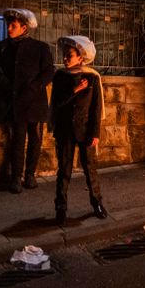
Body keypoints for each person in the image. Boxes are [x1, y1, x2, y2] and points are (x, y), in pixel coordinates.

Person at [0, 8, 55, 194]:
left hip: (35, 102)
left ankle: (30, 175)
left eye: (14, 25)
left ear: (24, 27)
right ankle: (16, 178)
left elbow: (48, 71)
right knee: (17, 140)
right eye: (8, 25)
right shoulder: (2, 47)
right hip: (16, 102)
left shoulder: (40, 48)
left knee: (35, 140)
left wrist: (34, 87)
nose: (9, 28)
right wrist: (2, 83)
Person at [49, 36, 108, 225]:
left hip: (85, 130)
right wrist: (74, 90)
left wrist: (96, 134)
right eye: (65, 55)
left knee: (90, 169)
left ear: (80, 58)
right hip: (65, 130)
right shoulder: (60, 76)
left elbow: (96, 108)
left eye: (70, 55)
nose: (65, 59)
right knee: (64, 170)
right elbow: (56, 103)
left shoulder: (91, 77)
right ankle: (60, 208)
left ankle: (97, 203)